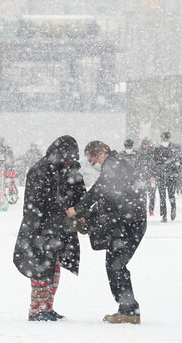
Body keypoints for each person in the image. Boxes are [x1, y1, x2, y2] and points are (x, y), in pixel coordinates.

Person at [66, 141, 146, 324]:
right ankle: (128, 309)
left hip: (130, 223)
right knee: (115, 264)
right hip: (128, 221)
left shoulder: (113, 166)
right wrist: (89, 214)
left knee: (115, 264)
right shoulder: (118, 165)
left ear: (101, 154)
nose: (94, 164)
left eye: (93, 160)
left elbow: (99, 191)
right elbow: (108, 198)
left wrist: (77, 209)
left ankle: (129, 311)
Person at [13, 135, 85, 321]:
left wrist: (77, 212)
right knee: (40, 268)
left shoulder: (67, 170)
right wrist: (40, 226)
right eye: (67, 158)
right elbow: (34, 204)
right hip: (42, 228)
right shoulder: (40, 170)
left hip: (59, 227)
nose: (70, 162)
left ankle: (48, 306)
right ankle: (37, 309)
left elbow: (78, 193)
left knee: (53, 267)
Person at [153, 131, 182, 222]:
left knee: (170, 195)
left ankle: (172, 211)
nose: (165, 141)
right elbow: (155, 162)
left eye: (166, 139)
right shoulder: (158, 149)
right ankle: (164, 214)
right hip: (162, 176)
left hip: (170, 176)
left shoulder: (174, 148)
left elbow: (178, 161)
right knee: (163, 196)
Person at [136, 138, 156, 217]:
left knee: (152, 195)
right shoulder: (139, 153)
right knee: (142, 195)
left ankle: (151, 210)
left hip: (150, 177)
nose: (145, 146)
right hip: (142, 176)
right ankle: (144, 210)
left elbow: (155, 165)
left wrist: (153, 175)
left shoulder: (152, 153)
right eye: (144, 144)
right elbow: (137, 166)